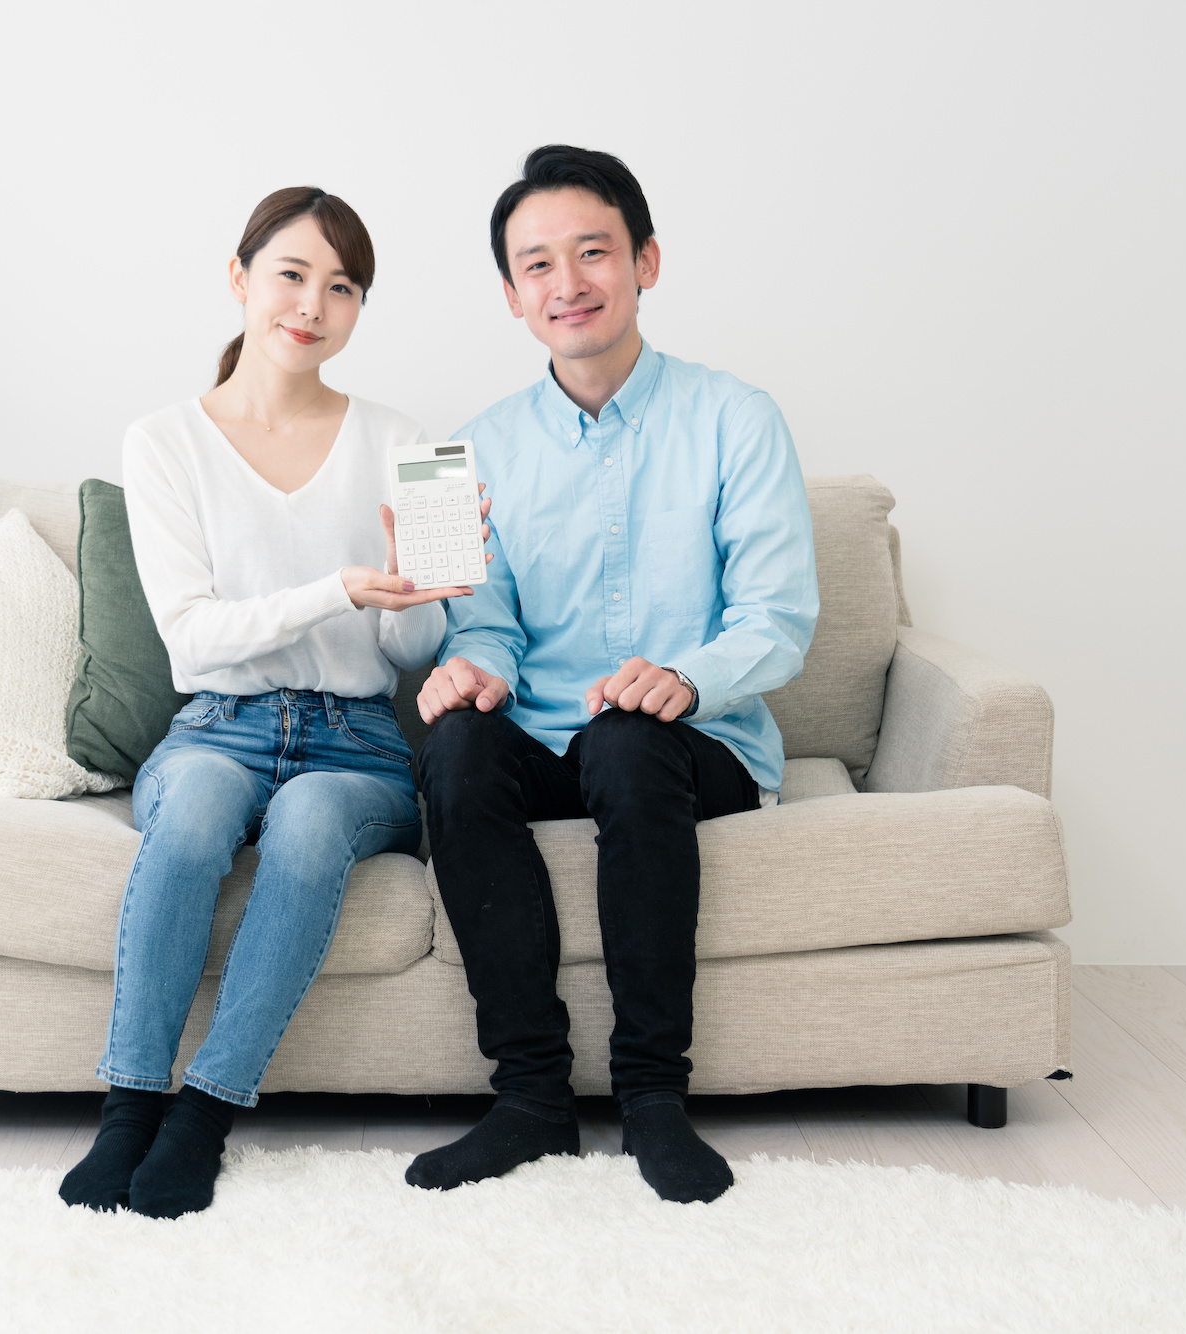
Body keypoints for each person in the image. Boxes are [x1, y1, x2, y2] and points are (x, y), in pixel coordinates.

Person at [58, 186, 489, 1219]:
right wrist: (338, 588)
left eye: (342, 288)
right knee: (194, 814)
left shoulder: (401, 437)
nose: (312, 305)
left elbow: (413, 653)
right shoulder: (163, 440)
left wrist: (418, 593)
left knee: (307, 821)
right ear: (239, 278)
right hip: (219, 726)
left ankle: (203, 1115)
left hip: (357, 741)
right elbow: (190, 638)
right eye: (292, 275)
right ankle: (129, 1108)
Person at [404, 146, 818, 1204]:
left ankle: (652, 1098)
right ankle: (531, 1099)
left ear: (646, 262)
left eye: (592, 252)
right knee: (455, 748)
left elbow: (777, 620)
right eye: (536, 264)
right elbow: (484, 626)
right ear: (511, 295)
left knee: (628, 740)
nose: (567, 282)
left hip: (692, 745)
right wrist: (469, 671)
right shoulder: (464, 451)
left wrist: (684, 676)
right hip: (547, 740)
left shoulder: (737, 417)